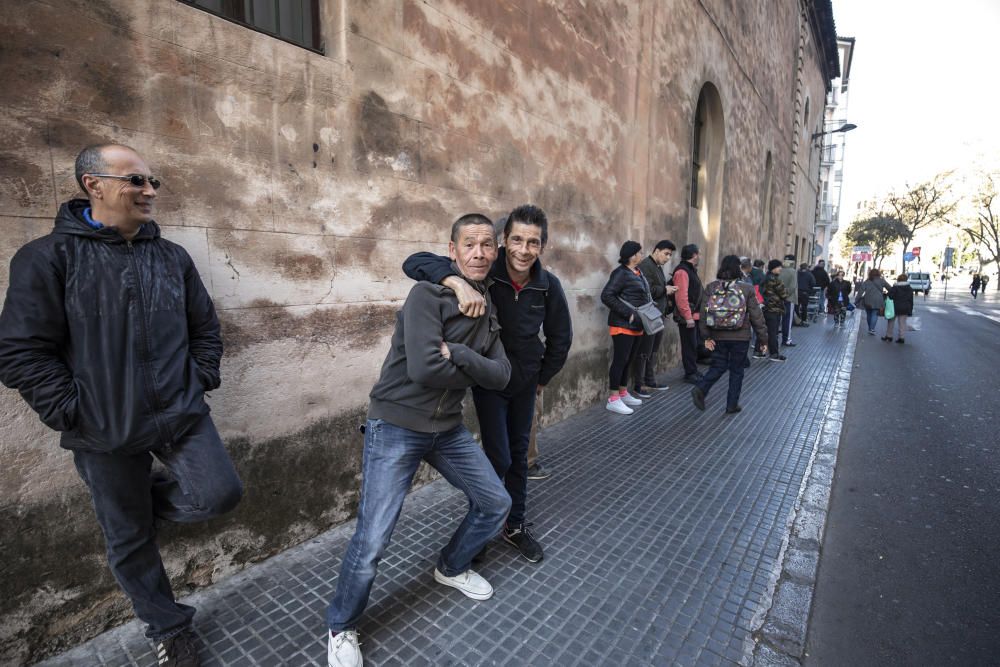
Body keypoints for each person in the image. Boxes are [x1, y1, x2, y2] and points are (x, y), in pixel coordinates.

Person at [0, 144, 243, 667]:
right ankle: (168, 626)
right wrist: (75, 411)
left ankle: (136, 507)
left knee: (219, 494)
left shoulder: (171, 257)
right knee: (130, 541)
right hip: (102, 430)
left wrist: (197, 379)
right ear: (94, 185)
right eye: (136, 181)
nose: (149, 191)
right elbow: (20, 352)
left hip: (180, 414)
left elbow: (205, 329)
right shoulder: (47, 258)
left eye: (152, 181)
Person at [327, 214, 513, 667]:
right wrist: (474, 368)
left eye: (487, 245)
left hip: (446, 428)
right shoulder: (427, 294)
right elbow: (425, 369)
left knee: (495, 503)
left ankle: (450, 567)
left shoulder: (489, 308)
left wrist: (464, 354)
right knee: (373, 539)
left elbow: (503, 375)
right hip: (396, 425)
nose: (479, 253)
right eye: (469, 244)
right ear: (452, 251)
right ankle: (341, 626)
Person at [401, 205, 572, 563]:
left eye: (534, 242)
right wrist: (456, 282)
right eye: (517, 240)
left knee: (520, 455)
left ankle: (515, 525)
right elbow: (415, 262)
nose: (524, 250)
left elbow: (561, 337)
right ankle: (481, 528)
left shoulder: (547, 286)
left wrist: (542, 379)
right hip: (489, 380)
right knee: (498, 456)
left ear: (542, 246)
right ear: (504, 242)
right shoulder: (482, 272)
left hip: (525, 382)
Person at [691, 255, 768, 414]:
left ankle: (701, 388)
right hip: (740, 337)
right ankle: (731, 405)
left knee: (718, 365)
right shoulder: (746, 288)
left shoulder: (712, 287)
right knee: (737, 370)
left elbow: (704, 314)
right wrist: (763, 339)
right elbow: (756, 315)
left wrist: (706, 336)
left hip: (718, 335)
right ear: (738, 269)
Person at [600, 241, 650, 414]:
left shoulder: (638, 273)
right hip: (622, 325)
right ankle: (613, 399)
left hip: (638, 324)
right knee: (620, 360)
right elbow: (606, 295)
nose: (642, 255)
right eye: (640, 252)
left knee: (629, 360)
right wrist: (628, 313)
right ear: (632, 255)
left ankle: (622, 392)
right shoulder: (620, 273)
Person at [632, 240, 678, 396]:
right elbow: (647, 290)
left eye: (670, 255)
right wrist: (665, 289)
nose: (667, 258)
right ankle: (640, 384)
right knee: (644, 351)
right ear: (657, 251)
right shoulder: (646, 265)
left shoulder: (657, 267)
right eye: (666, 254)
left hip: (657, 315)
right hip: (649, 316)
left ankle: (650, 380)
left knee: (652, 350)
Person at [671, 244, 706, 382]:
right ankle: (690, 373)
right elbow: (681, 296)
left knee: (694, 345)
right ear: (694, 255)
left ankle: (693, 370)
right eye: (699, 254)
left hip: (694, 315)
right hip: (687, 317)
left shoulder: (690, 270)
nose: (700, 257)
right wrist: (688, 317)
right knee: (689, 346)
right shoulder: (682, 271)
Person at [760, 259, 788, 362]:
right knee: (773, 332)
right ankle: (774, 354)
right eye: (778, 267)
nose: (780, 269)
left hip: (766, 308)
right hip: (774, 308)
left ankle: (759, 352)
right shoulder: (775, 279)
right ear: (773, 268)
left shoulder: (765, 277)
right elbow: (784, 294)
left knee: (763, 330)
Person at [856, 268, 891, 335]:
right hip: (878, 300)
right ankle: (872, 329)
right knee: (874, 314)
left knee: (869, 314)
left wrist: (857, 299)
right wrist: (887, 294)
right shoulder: (882, 281)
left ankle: (870, 328)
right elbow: (889, 288)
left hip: (867, 299)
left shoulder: (867, 281)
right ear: (878, 274)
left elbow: (861, 291)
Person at [883, 273, 914, 344]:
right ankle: (901, 338)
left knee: (891, 322)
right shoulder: (909, 288)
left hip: (894, 307)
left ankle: (889, 336)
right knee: (902, 323)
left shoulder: (895, 287)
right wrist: (910, 310)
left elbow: (890, 296)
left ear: (898, 279)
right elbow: (911, 300)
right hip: (905, 308)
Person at [778, 254, 799, 346]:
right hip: (789, 298)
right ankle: (787, 340)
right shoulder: (793, 271)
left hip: (778, 298)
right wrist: (786, 295)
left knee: (779, 319)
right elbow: (793, 286)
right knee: (788, 320)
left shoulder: (779, 270)